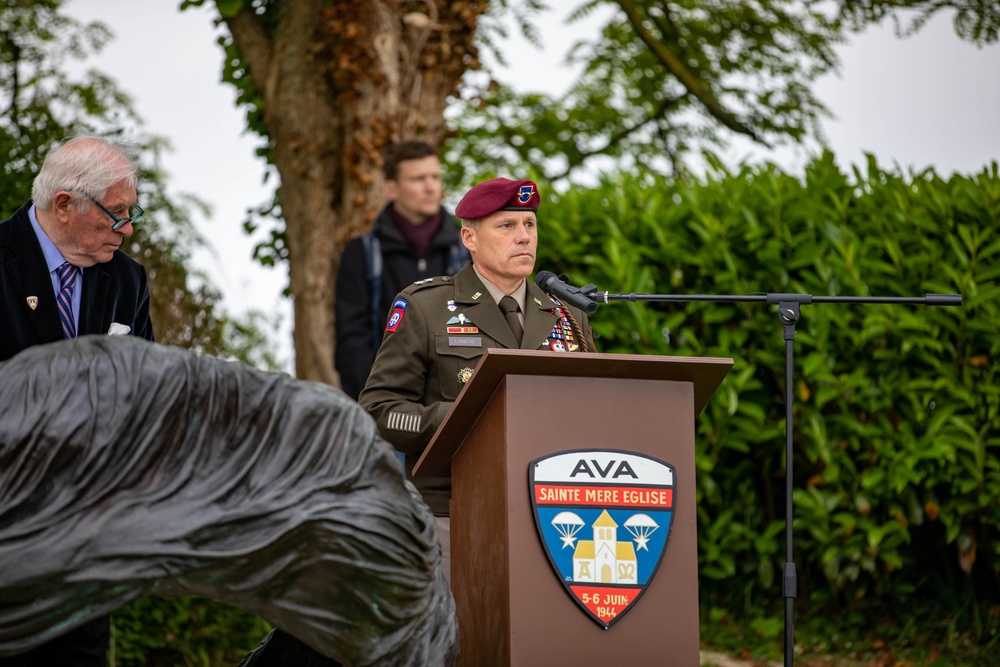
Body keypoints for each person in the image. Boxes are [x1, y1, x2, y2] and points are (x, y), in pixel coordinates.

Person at [359, 177, 595, 574]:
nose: (523, 238)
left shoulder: (567, 313)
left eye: (529, 225)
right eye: (507, 226)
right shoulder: (424, 307)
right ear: (469, 238)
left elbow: (592, 408)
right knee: (461, 635)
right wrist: (465, 419)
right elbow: (378, 411)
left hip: (556, 513)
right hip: (454, 512)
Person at [0, 135, 154, 666]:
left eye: (131, 213)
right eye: (116, 214)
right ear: (64, 205)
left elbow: (143, 392)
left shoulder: (127, 281)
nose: (128, 229)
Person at [334, 140, 469, 400]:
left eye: (435, 177)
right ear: (392, 189)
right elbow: (352, 344)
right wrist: (378, 404)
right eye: (419, 179)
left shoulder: (466, 247)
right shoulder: (362, 253)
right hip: (384, 406)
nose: (431, 187)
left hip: (456, 406)